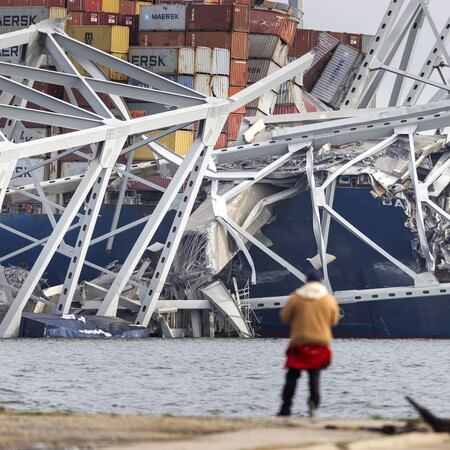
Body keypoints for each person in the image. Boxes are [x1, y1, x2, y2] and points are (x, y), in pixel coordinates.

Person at [278, 269, 340, 417]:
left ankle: (285, 408)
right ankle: (313, 405)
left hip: (299, 342)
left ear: (306, 282)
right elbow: (334, 321)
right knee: (314, 376)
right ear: (319, 282)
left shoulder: (296, 298)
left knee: (292, 377)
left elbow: (285, 317)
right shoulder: (328, 300)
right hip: (320, 344)